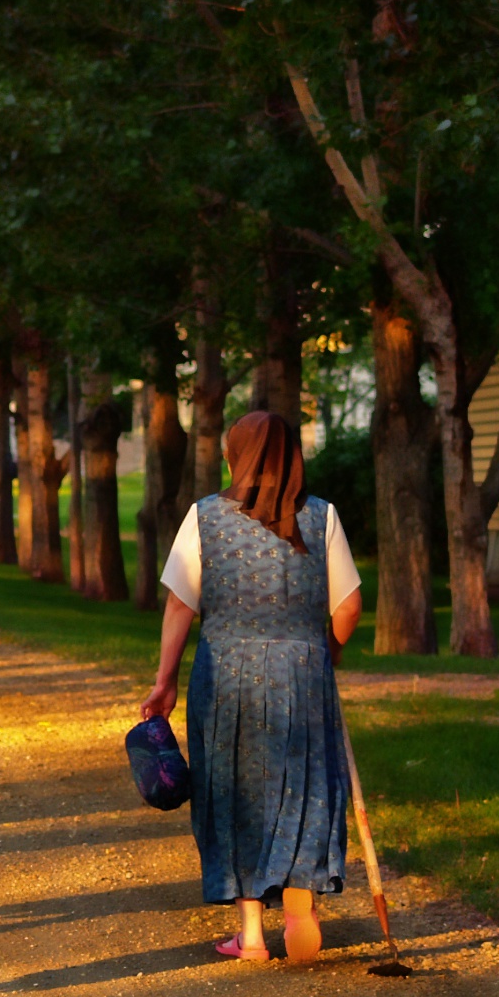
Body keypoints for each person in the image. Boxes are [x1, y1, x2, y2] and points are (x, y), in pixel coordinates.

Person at [141, 410, 365, 963]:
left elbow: (179, 603)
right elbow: (350, 604)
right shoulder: (322, 516)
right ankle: (300, 900)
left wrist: (164, 680)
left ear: (236, 456)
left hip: (227, 673)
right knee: (306, 784)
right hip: (303, 670)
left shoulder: (205, 517)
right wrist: (326, 653)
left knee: (233, 790)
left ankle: (253, 934)